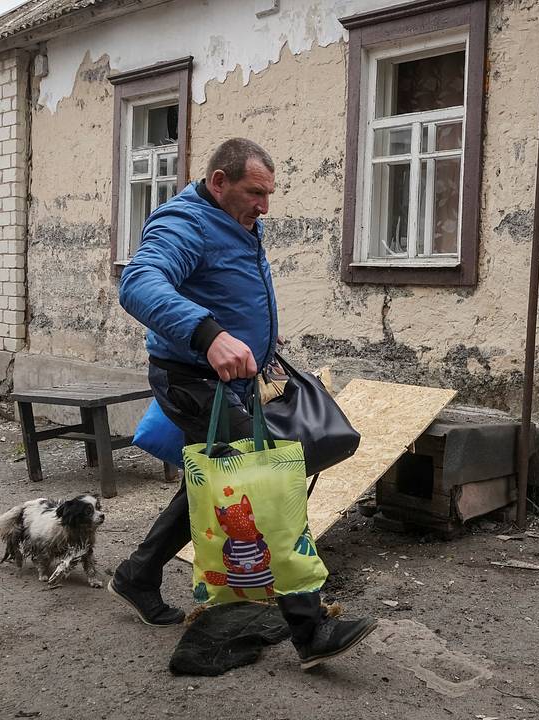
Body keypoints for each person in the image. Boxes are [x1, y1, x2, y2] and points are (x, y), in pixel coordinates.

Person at [110, 137, 376, 669]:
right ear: (218, 182)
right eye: (255, 192)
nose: (265, 206)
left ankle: (137, 575)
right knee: (263, 483)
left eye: (269, 193)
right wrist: (208, 333)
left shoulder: (239, 222)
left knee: (214, 488)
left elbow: (230, 288)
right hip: (193, 380)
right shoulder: (183, 222)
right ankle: (309, 629)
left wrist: (261, 347)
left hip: (231, 380)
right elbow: (138, 282)